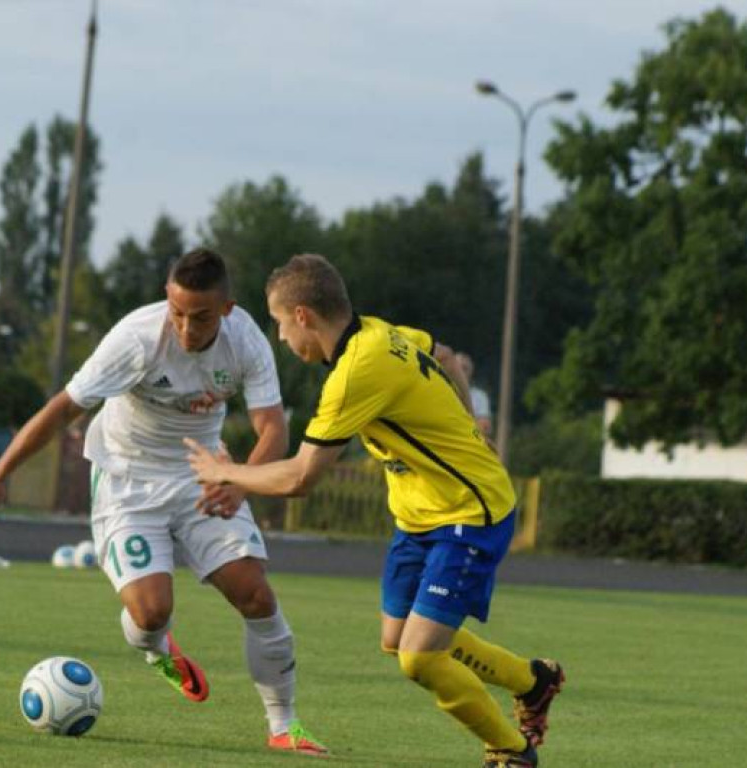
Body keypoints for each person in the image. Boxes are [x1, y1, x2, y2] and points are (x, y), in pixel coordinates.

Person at [187, 254, 563, 768]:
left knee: (421, 656)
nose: (280, 338)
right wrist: (474, 423)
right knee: (397, 638)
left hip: (468, 514)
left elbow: (300, 478)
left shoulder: (355, 373)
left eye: (278, 323)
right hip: (418, 518)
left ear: (302, 316)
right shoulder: (381, 331)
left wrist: (226, 471)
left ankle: (510, 751)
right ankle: (532, 680)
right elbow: (449, 356)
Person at [0, 248, 327, 756]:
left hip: (202, 474)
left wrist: (241, 481)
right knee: (152, 611)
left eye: (200, 317)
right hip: (127, 477)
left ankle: (283, 726)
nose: (186, 328)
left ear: (226, 309)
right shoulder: (135, 338)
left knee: (255, 592)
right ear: (167, 299)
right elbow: (63, 409)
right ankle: (157, 649)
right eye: (177, 312)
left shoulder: (246, 339)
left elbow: (274, 428)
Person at [457, 352, 493, 439]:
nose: (461, 372)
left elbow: (485, 427)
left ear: (471, 372)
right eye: (458, 368)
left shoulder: (480, 396)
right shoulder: (441, 391)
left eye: (465, 368)